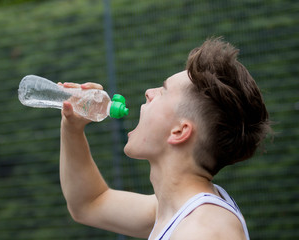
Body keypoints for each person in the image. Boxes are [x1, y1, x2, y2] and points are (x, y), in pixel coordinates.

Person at [59, 37, 271, 240]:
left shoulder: (203, 231)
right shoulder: (175, 211)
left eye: (164, 91)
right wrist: (72, 127)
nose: (149, 92)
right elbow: (89, 203)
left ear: (179, 131)